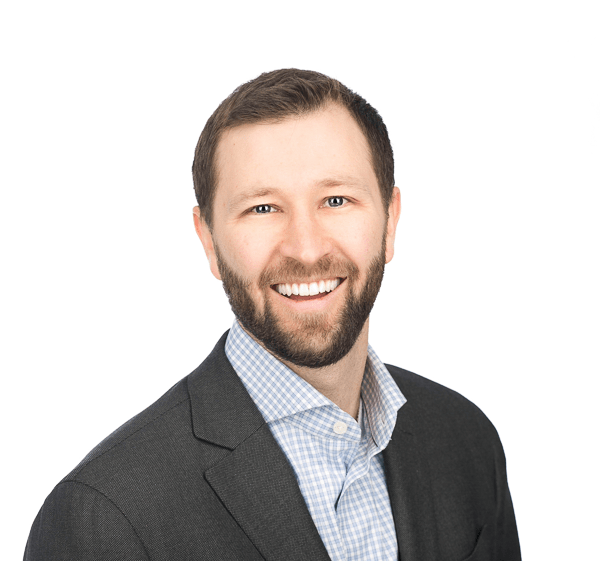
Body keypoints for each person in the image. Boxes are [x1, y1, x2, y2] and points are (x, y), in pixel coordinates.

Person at [24, 69, 521, 561]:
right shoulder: (101, 520)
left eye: (336, 199)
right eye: (263, 209)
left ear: (390, 222)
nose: (305, 249)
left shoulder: (466, 440)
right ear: (209, 241)